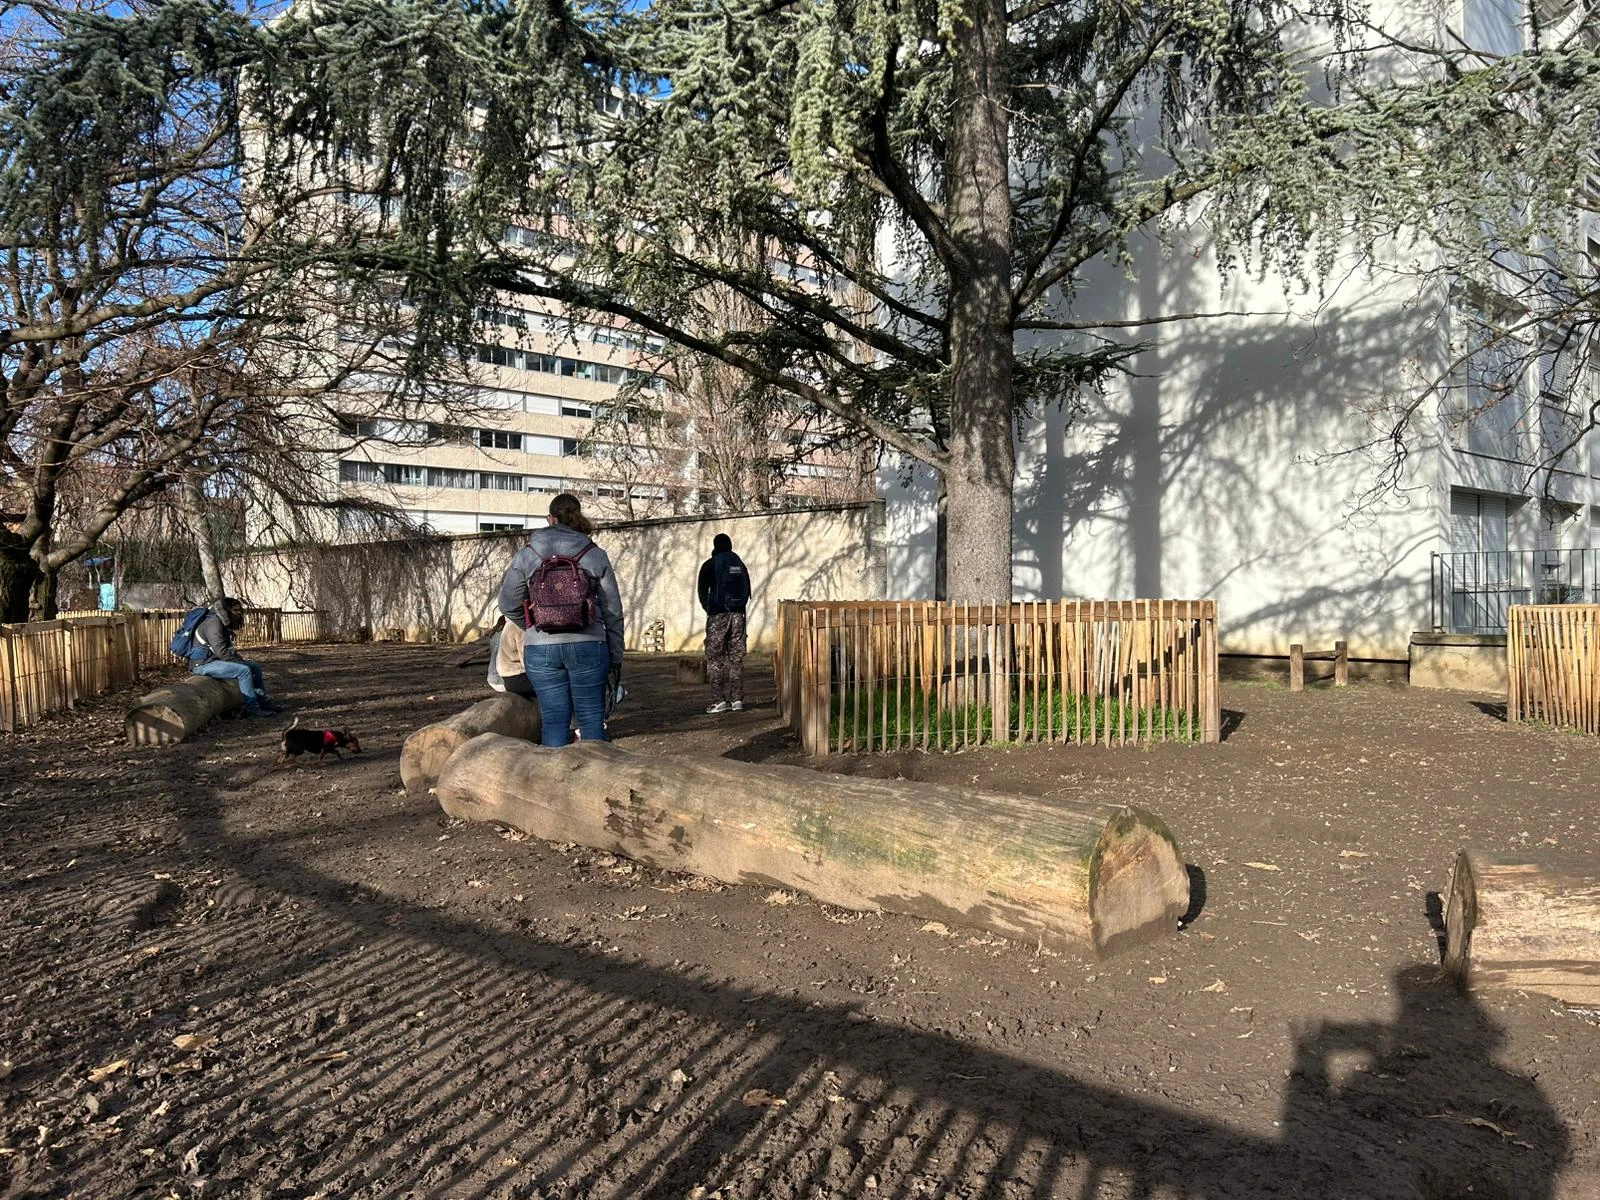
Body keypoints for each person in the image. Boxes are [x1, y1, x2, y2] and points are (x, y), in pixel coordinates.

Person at [498, 493, 624, 745]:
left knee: (554, 720)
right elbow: (612, 610)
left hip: (541, 649)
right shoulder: (595, 553)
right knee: (591, 720)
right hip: (589, 645)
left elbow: (507, 604)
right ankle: (597, 779)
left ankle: (553, 781)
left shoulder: (528, 554)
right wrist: (616, 654)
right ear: (578, 518)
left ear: (550, 518)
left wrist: (533, 626)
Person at [189, 596, 280, 718]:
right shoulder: (214, 624)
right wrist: (240, 663)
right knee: (244, 671)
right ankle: (252, 709)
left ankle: (265, 703)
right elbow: (221, 652)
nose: (239, 613)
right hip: (202, 664)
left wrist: (240, 660)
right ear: (226, 611)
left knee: (255, 667)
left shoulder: (220, 622)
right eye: (235, 610)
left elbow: (227, 651)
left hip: (214, 660)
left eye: (239, 610)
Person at [697, 532, 751, 714]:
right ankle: (737, 700)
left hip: (717, 616)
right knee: (736, 659)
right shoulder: (738, 563)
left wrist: (710, 609)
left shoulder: (710, 565)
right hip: (738, 616)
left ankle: (718, 700)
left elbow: (702, 591)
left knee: (715, 659)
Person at [485, 616, 535, 698]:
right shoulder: (519, 627)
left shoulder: (501, 630)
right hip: (509, 677)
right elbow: (526, 660)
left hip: (496, 677)